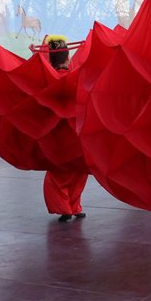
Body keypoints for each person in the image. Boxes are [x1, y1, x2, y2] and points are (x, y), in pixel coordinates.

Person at [42, 34, 88, 222]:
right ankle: (74, 206)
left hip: (56, 135)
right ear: (68, 57)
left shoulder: (47, 80)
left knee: (58, 172)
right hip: (76, 133)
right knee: (78, 169)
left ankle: (64, 207)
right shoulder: (76, 78)